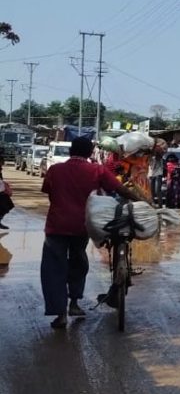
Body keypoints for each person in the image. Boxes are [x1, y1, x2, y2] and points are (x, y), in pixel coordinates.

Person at [40, 137, 143, 329]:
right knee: (78, 261)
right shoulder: (97, 170)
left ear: (70, 151)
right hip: (83, 226)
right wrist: (142, 201)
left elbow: (48, 192)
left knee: (54, 268)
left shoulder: (55, 170)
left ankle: (60, 314)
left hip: (56, 226)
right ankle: (74, 303)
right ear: (90, 153)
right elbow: (120, 189)